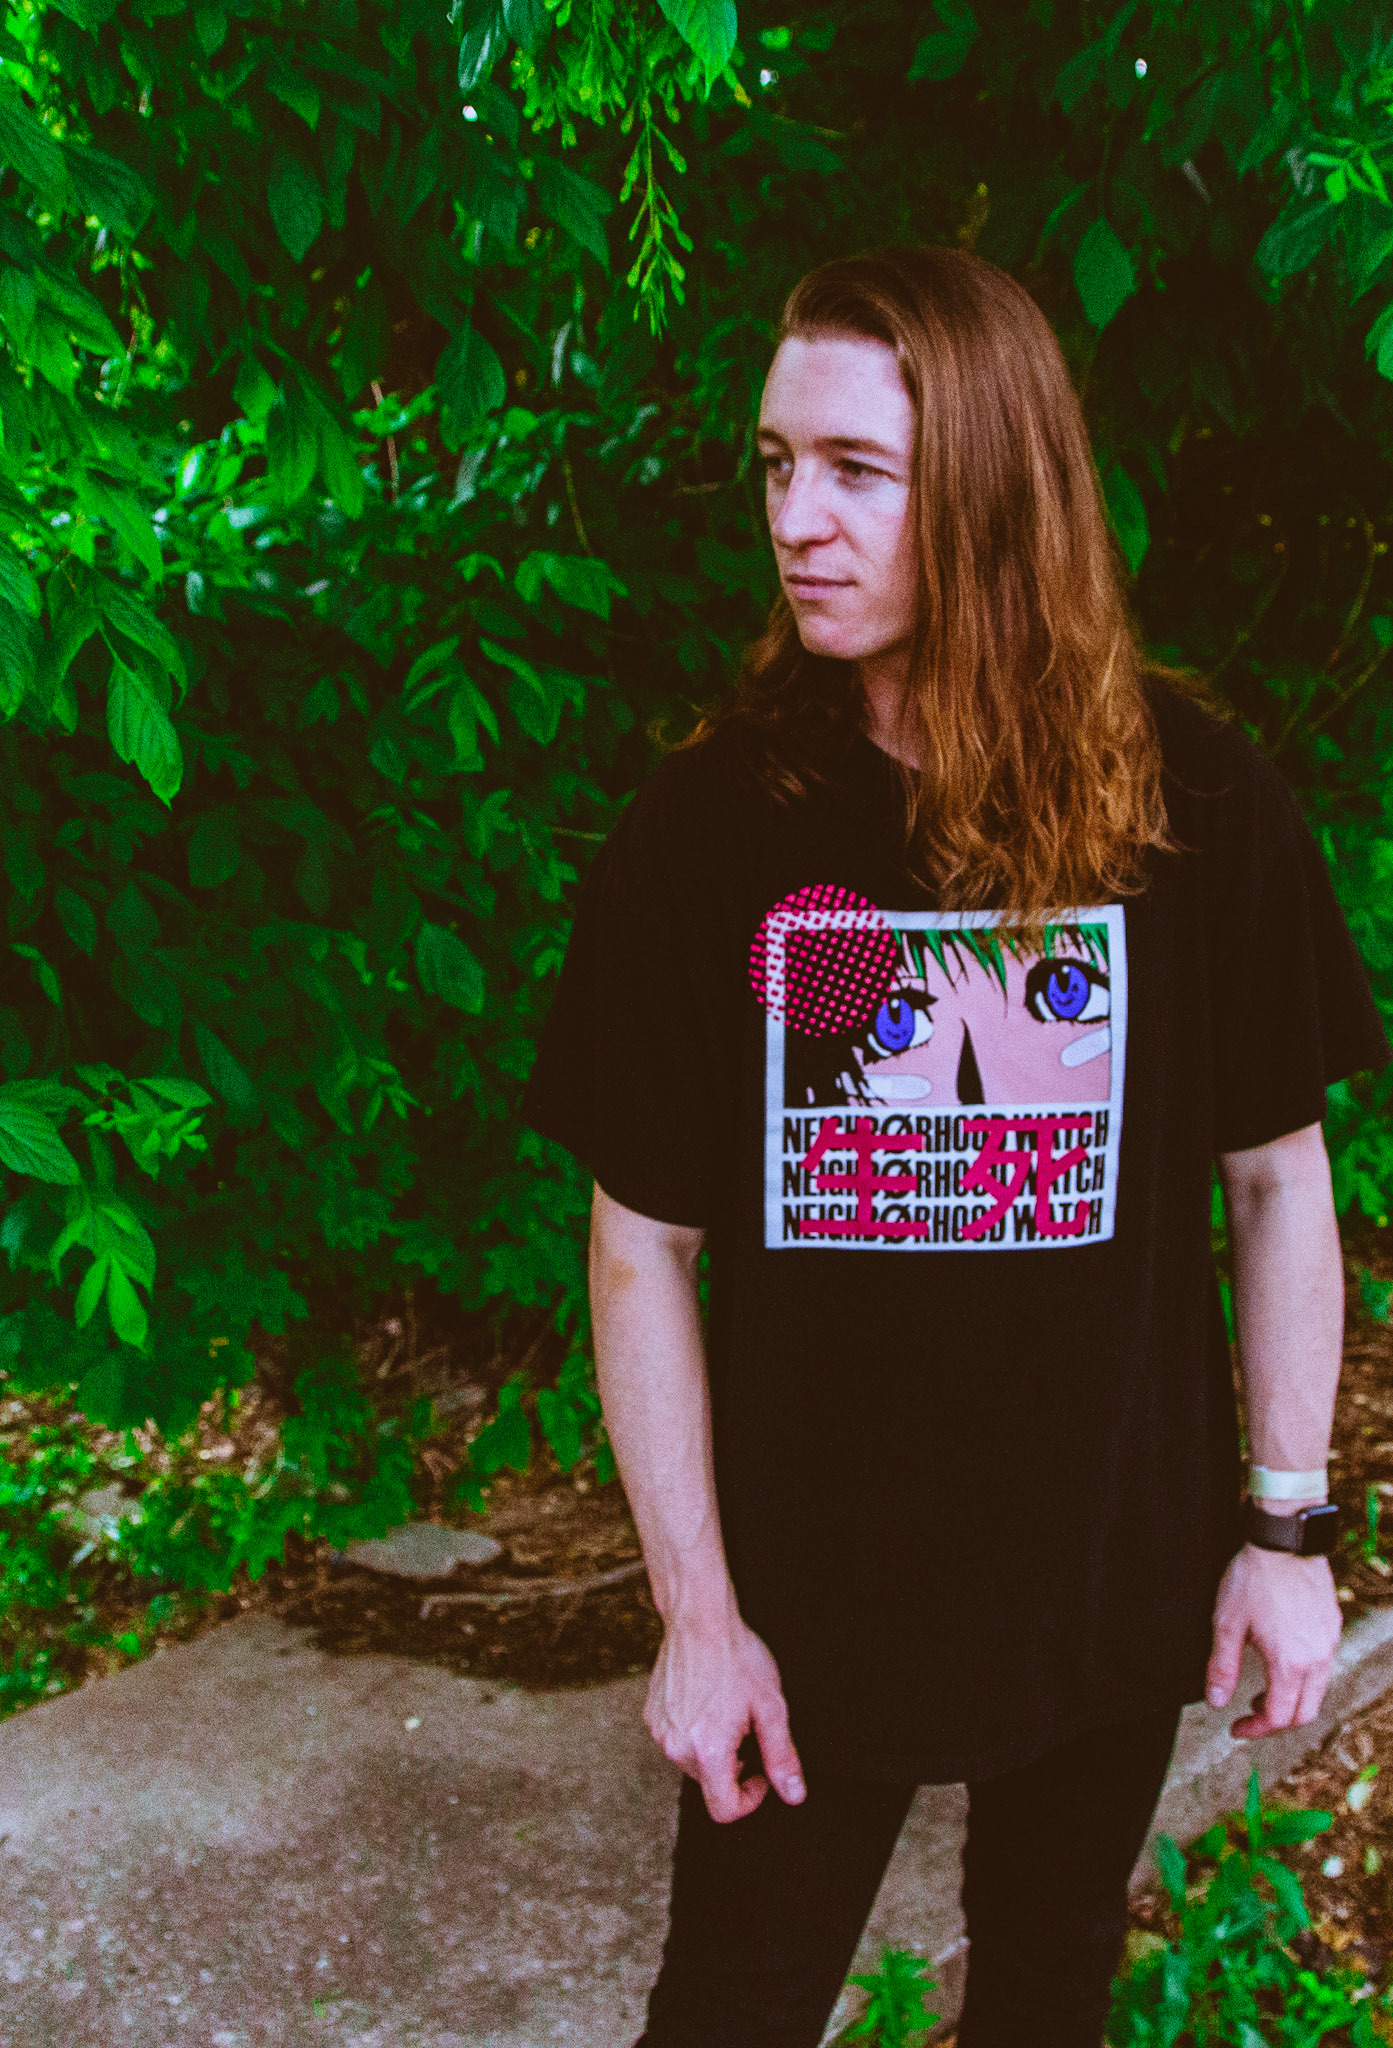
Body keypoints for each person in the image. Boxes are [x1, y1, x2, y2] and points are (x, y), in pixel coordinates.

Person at [521, 246, 1390, 2048]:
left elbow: (1275, 1180)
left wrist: (1283, 1531)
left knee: (1047, 1982)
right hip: (810, 1606)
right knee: (731, 2013)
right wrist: (698, 1619)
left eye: (858, 471)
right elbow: (639, 1244)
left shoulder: (1195, 800)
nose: (797, 521)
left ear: (993, 490)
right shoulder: (709, 831)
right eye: (777, 465)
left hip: (1106, 1575)